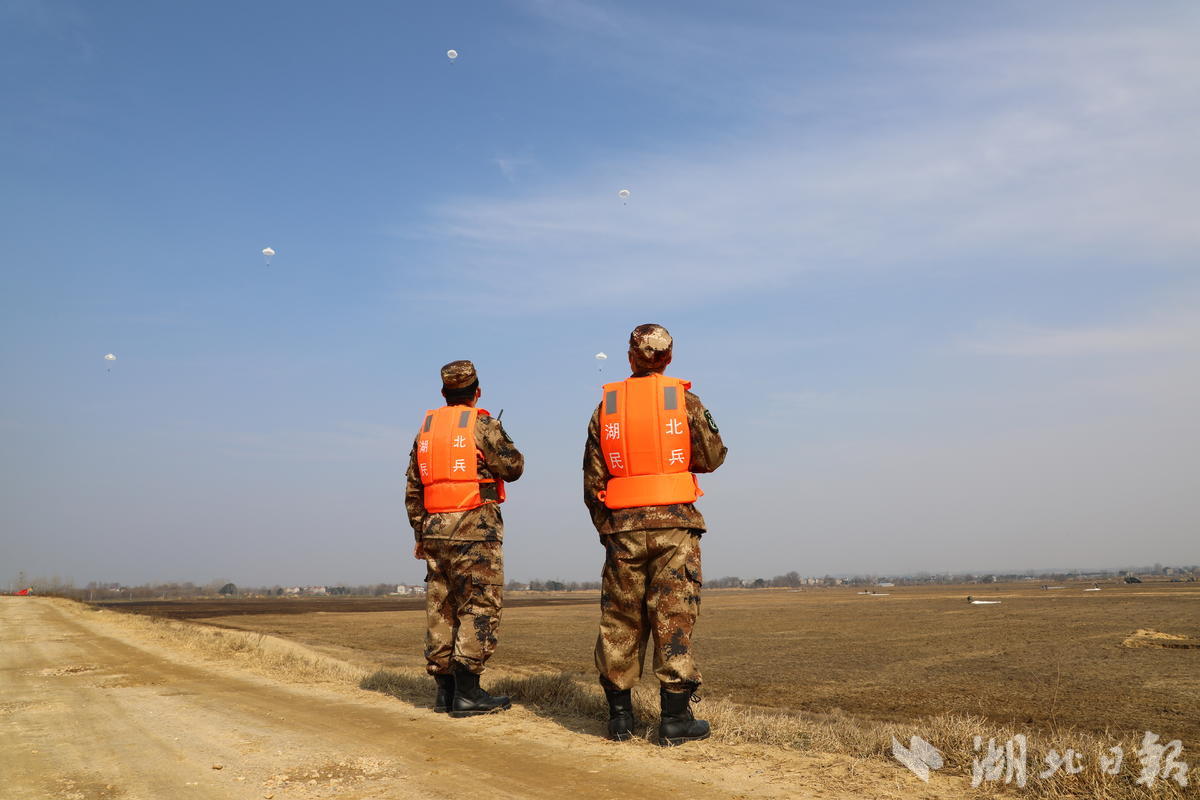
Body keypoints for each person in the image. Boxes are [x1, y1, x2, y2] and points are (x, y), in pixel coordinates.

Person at [582, 324, 728, 746]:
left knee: (620, 618)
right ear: (668, 358)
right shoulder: (685, 401)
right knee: (674, 615)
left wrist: (609, 531)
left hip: (622, 529)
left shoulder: (605, 410)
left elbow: (594, 482)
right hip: (675, 528)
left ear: (630, 356)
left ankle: (620, 720)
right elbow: (713, 457)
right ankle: (674, 722)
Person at [405, 360, 524, 717]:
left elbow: (413, 489)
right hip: (475, 530)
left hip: (434, 532)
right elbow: (513, 467)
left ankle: (445, 693)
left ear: (443, 393)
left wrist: (420, 533)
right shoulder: (482, 424)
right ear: (477, 392)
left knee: (442, 608)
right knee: (479, 605)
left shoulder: (425, 431)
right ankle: (469, 694)